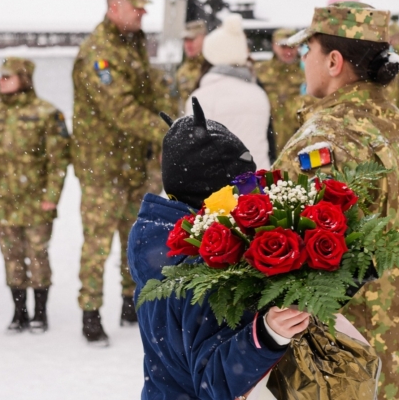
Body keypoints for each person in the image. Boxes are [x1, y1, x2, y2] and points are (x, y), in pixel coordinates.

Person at [274, 2, 399, 399]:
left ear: (334, 61)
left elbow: (281, 260)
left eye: (309, 51)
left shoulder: (323, 140)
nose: (304, 61)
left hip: (346, 362)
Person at [129, 101, 311, 400]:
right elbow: (212, 379)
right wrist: (267, 335)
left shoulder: (158, 237)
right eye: (243, 184)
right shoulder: (197, 268)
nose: (252, 193)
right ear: (214, 196)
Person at [71, 0, 168, 345]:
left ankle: (132, 301)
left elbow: (149, 93)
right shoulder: (98, 52)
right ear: (115, 7)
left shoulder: (133, 43)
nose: (143, 12)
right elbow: (122, 109)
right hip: (102, 166)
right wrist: (167, 132)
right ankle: (90, 312)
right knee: (97, 242)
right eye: (136, 6)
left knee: (136, 236)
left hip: (133, 162)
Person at [0, 57, 70, 333]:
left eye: (7, 76)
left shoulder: (47, 113)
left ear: (24, 79)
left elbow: (58, 159)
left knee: (37, 255)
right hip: (2, 201)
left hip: (36, 200)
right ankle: (19, 312)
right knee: (11, 258)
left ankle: (40, 312)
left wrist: (52, 194)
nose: (1, 81)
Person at [185, 13, 272, 170]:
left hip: (222, 188)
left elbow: (192, 155)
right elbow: (267, 143)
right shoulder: (259, 94)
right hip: (258, 182)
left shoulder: (201, 98)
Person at [255, 27, 305, 156]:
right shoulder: (260, 71)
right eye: (283, 47)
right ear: (274, 46)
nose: (288, 51)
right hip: (266, 136)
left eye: (292, 47)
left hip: (298, 138)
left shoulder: (306, 72)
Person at [175, 20, 207, 109]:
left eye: (192, 40)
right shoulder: (182, 71)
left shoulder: (213, 66)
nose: (188, 45)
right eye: (186, 40)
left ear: (204, 38)